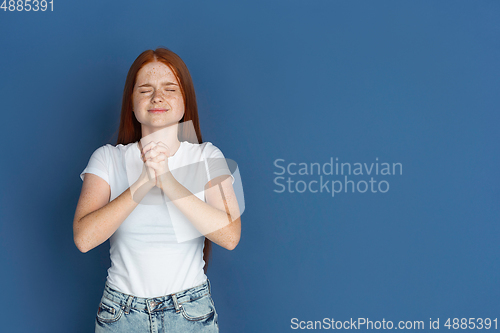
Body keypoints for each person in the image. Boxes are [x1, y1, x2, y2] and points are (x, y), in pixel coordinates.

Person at [73, 47, 242, 333]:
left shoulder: (208, 157)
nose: (157, 98)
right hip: (120, 314)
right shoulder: (107, 158)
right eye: (145, 90)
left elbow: (230, 235)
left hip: (190, 313)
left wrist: (168, 181)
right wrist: (142, 182)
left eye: (169, 88)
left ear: (184, 100)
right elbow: (84, 239)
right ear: (132, 102)